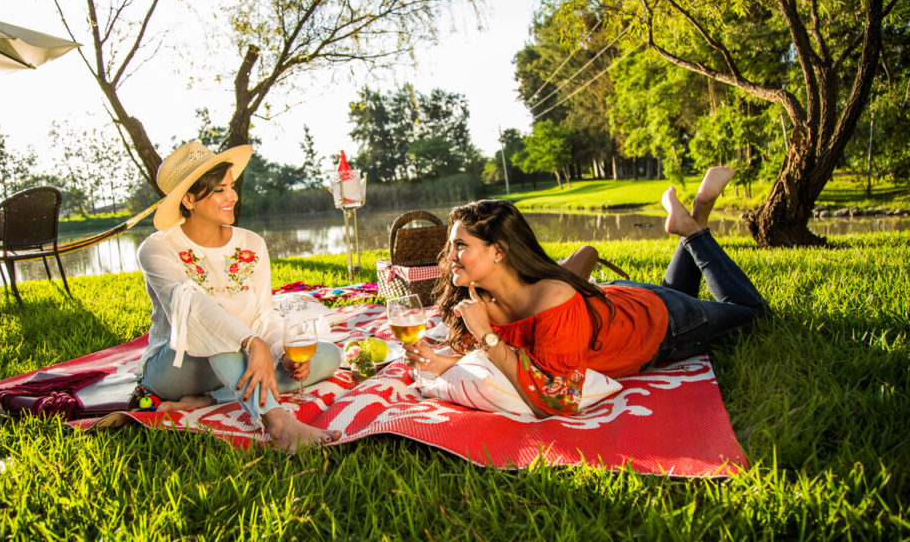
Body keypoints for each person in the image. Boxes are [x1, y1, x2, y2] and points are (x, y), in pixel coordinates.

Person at [403, 167, 768, 418]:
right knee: (678, 289)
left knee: (752, 313)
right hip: (616, 302)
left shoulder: (552, 298)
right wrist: (443, 361)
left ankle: (692, 229)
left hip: (656, 324)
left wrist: (485, 334)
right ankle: (696, 212)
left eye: (460, 246)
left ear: (499, 251)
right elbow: (489, 361)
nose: (449, 258)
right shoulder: (477, 299)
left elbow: (555, 400)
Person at [133, 141, 342, 451]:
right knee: (215, 329)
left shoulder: (252, 243)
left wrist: (279, 351)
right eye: (220, 189)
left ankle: (210, 398)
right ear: (189, 199)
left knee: (327, 356)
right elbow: (194, 311)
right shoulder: (157, 247)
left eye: (231, 186)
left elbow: (263, 313)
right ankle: (278, 421)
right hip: (177, 366)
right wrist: (251, 342)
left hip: (244, 359)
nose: (233, 195)